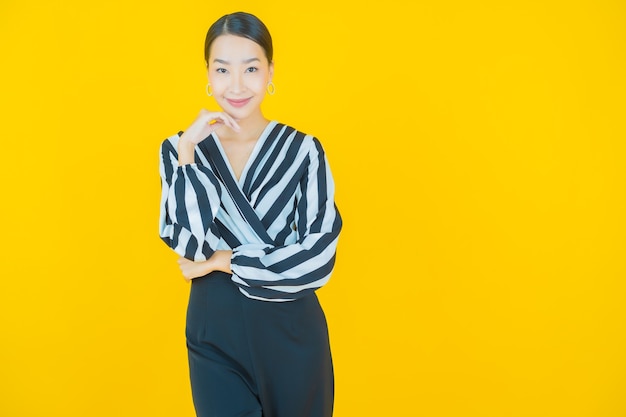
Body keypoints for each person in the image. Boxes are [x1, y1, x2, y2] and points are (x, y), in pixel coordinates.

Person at [158, 11, 342, 417]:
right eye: (223, 69)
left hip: (291, 327)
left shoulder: (303, 150)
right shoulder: (179, 149)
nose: (236, 85)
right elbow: (187, 246)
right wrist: (188, 154)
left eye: (251, 68)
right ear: (207, 73)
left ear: (270, 72)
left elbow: (319, 258)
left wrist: (228, 260)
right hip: (214, 327)